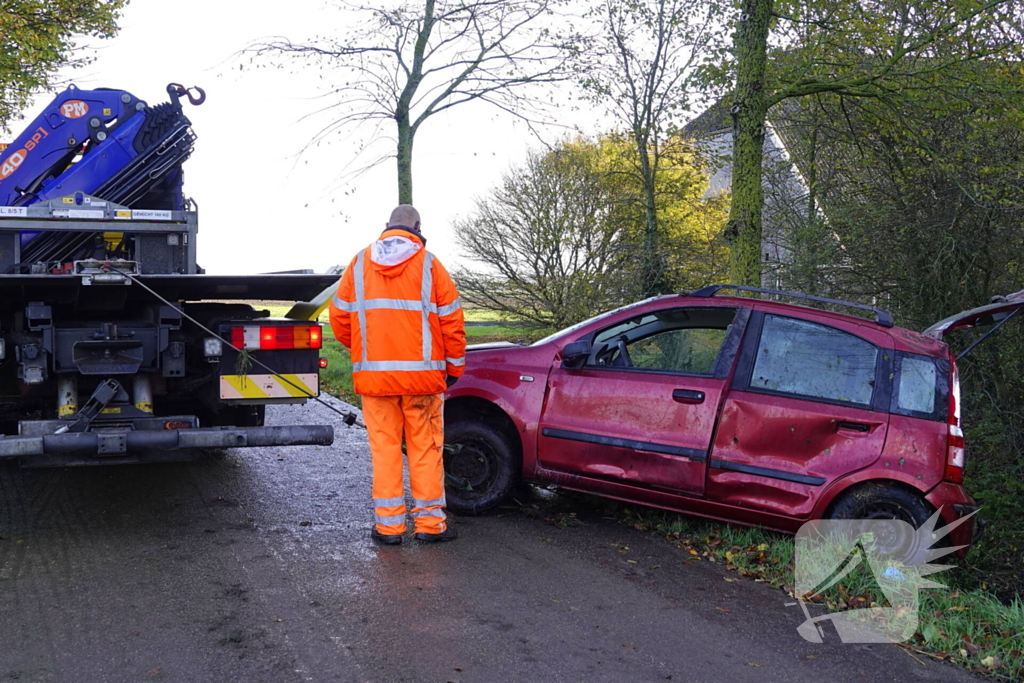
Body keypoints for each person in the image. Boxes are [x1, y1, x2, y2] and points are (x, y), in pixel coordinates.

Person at [329, 205, 466, 544]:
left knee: (385, 451)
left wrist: (366, 351)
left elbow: (340, 319)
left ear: (386, 226)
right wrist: (454, 369)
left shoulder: (359, 264)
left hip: (376, 381)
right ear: (418, 227)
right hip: (422, 382)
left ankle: (389, 529)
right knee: (425, 449)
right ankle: (431, 526)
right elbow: (452, 322)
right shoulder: (430, 265)